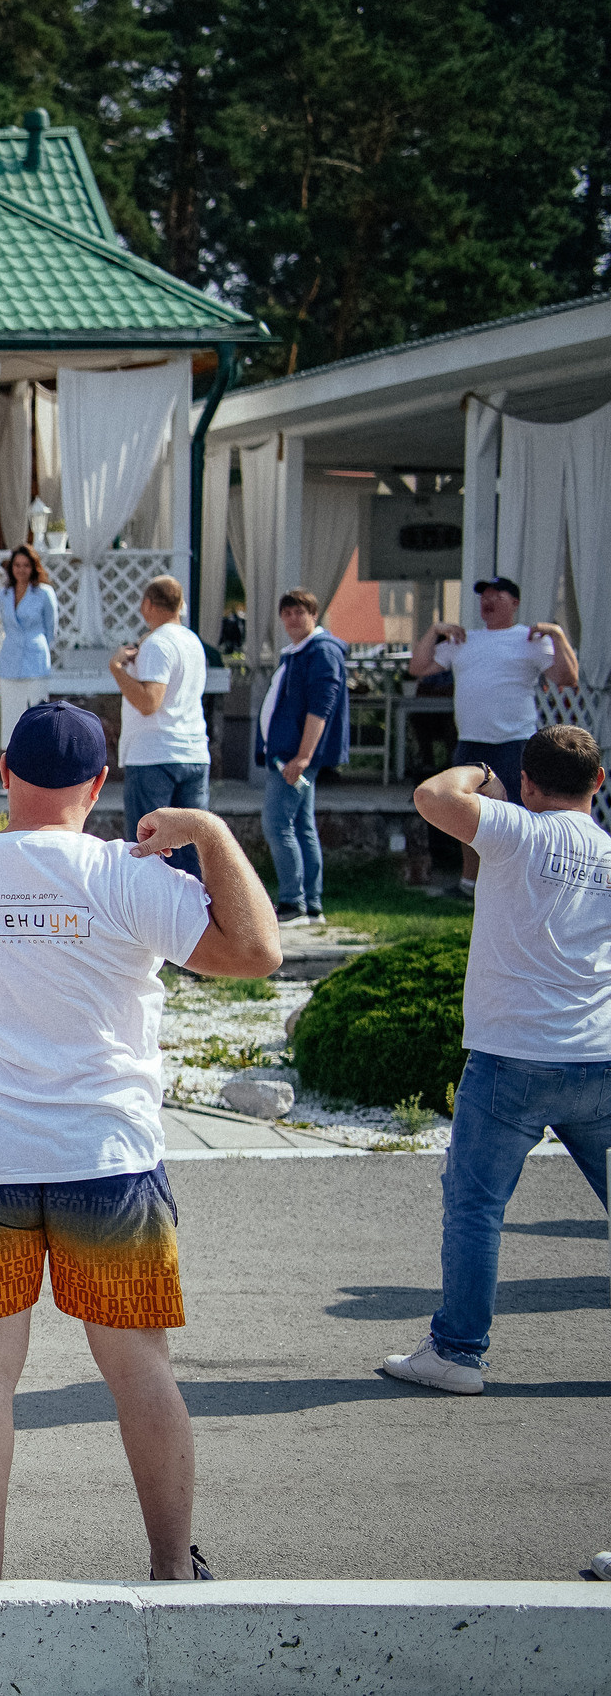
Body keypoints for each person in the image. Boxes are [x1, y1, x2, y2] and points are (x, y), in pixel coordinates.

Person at [0, 701, 280, 1583]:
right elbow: (256, 951)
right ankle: (172, 1567)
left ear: (4, 772)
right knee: (138, 1368)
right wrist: (212, 831)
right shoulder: (126, 875)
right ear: (99, 784)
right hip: (109, 1161)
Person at [380, 725, 611, 1399]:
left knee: (476, 1208)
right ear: (598, 783)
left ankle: (458, 1352)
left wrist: (483, 772)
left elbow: (432, 795)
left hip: (512, 1056)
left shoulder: (517, 830)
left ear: (529, 784)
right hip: (598, 1053)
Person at [407, 576, 579, 901]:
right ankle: (469, 883)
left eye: (496, 595)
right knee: (467, 810)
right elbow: (418, 667)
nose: (487, 600)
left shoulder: (529, 639)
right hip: (471, 742)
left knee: (520, 812)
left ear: (514, 603)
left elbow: (568, 677)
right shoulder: (464, 640)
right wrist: (435, 630)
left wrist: (557, 634)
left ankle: (519, 883)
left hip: (516, 742)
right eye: (483, 595)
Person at [257, 589, 348, 930]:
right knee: (302, 826)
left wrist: (304, 756)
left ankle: (292, 902)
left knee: (277, 824)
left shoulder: (322, 652)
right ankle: (311, 905)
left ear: (314, 614)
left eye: (300, 612)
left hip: (295, 758)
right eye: (288, 613)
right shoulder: (297, 652)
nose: (293, 618)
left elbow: (321, 707)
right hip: (286, 756)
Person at [111, 576, 213, 880]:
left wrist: (117, 669)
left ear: (147, 604)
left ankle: (150, 911)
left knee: (148, 852)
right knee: (193, 851)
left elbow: (149, 702)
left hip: (154, 754)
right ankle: (197, 909)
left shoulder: (158, 643)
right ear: (180, 605)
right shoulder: (192, 641)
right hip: (193, 750)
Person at [0, 545, 59, 742]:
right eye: (17, 565)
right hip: (10, 659)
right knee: (10, 719)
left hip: (35, 660)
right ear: (11, 568)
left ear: (33, 567)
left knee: (37, 716)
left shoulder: (44, 593)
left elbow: (51, 627)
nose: (21, 570)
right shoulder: (4, 594)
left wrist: (38, 648)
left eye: (26, 565)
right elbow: (4, 624)